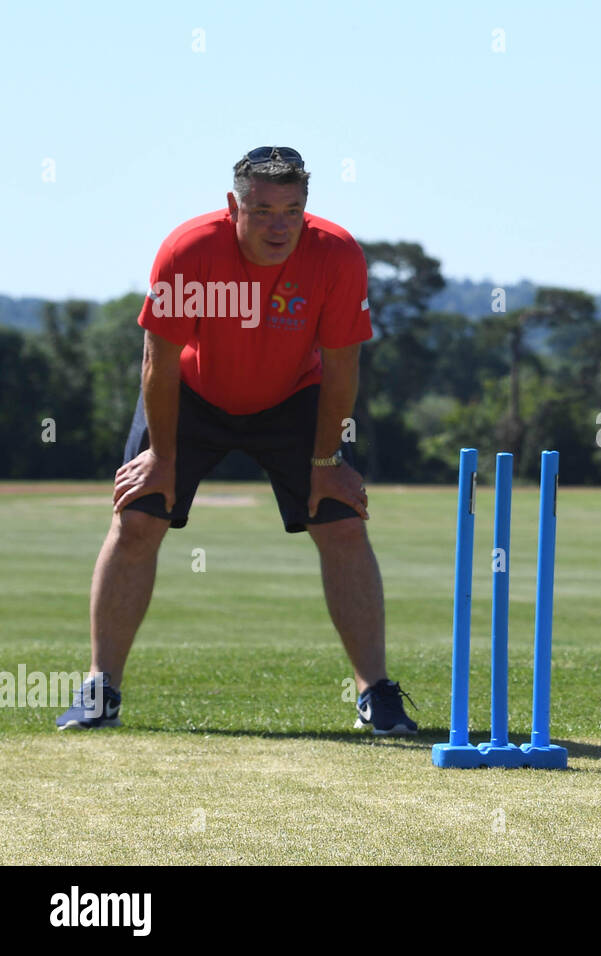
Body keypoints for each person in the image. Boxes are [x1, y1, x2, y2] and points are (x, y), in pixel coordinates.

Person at [56, 147, 417, 736]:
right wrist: (162, 457)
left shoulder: (337, 253)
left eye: (292, 210)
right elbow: (159, 360)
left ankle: (375, 694)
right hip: (192, 394)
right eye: (263, 209)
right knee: (136, 520)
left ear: (307, 208)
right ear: (234, 206)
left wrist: (327, 462)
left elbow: (343, 365)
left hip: (296, 396)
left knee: (343, 522)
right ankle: (100, 690)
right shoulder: (189, 248)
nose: (280, 225)